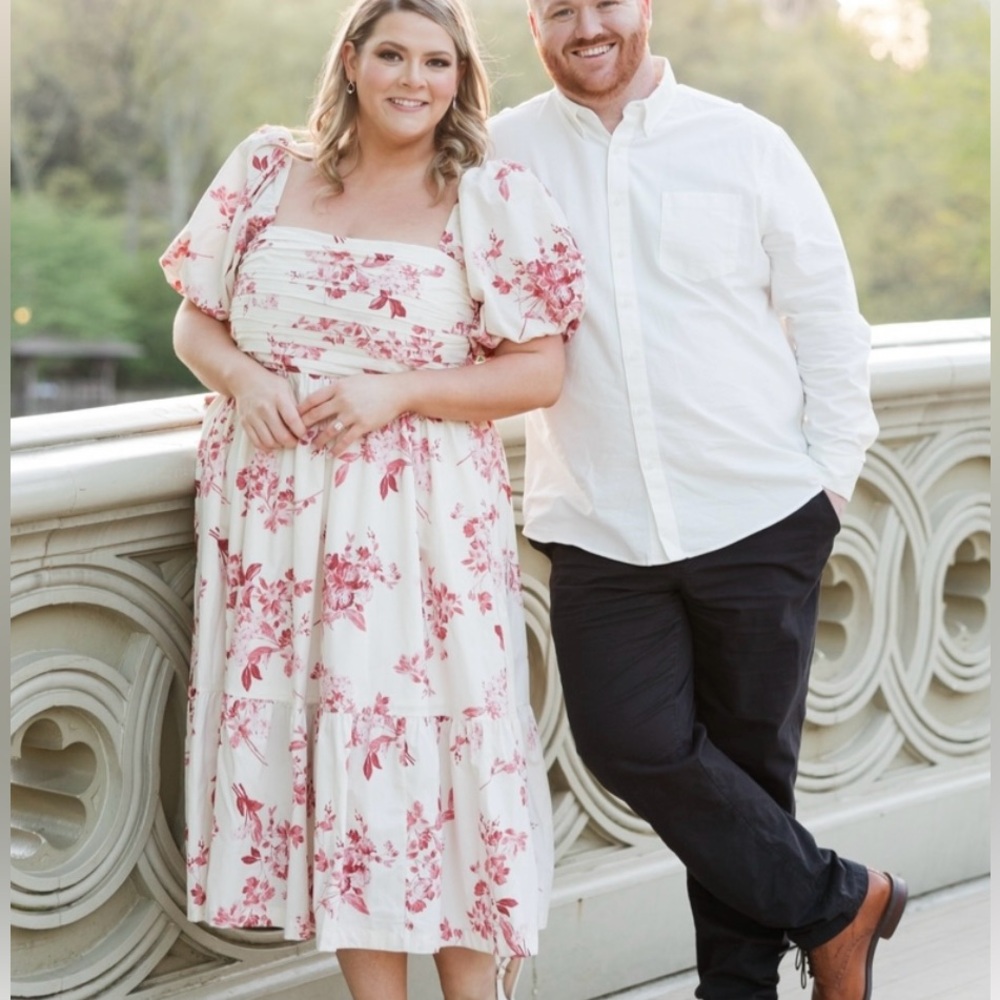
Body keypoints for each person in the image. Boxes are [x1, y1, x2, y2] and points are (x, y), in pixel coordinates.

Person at [159, 1, 585, 998]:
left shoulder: (489, 193)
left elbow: (537, 371)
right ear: (350, 61)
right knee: (339, 763)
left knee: (439, 759)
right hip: (274, 524)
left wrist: (396, 389)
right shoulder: (267, 166)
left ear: (460, 77)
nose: (412, 78)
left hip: (421, 527)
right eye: (390, 53)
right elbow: (193, 320)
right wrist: (244, 378)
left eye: (437, 61)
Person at [488, 2, 906, 999]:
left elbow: (825, 319)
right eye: (558, 8)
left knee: (750, 775)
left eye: (606, 2)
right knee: (629, 741)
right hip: (595, 526)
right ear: (530, 22)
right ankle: (841, 899)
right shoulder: (495, 157)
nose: (586, 25)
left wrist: (826, 486)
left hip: (760, 515)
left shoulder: (745, 143)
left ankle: (743, 987)